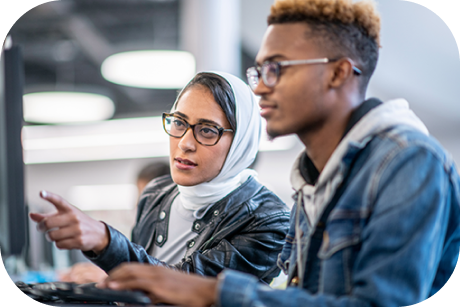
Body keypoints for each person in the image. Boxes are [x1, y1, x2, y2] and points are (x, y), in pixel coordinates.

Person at [98, 0, 460, 306]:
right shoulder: (313, 180)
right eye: (260, 72)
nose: (262, 89)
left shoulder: (408, 162)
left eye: (278, 69)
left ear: (338, 73)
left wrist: (215, 292)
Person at [30, 71, 290, 283]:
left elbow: (190, 286)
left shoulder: (269, 220)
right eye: (178, 123)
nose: (185, 143)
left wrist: (107, 242)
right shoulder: (156, 193)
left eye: (207, 130)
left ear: (240, 142)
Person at [58, 161, 171, 284]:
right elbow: (139, 266)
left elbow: (164, 282)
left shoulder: (175, 239)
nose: (138, 204)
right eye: (140, 198)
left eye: (148, 200)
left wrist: (111, 278)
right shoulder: (143, 232)